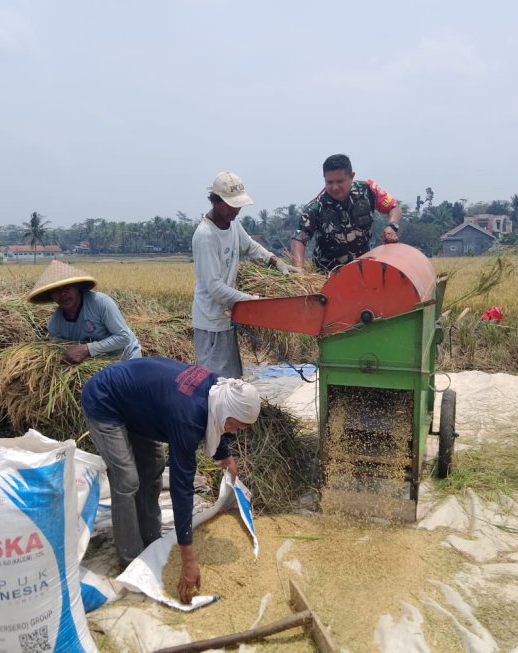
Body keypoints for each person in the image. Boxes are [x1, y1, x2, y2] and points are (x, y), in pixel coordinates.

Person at [81, 356, 261, 603]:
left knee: (153, 466)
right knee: (127, 479)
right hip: (105, 401)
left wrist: (224, 455)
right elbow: (181, 487)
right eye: (237, 427)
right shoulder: (188, 416)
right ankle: (131, 557)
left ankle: (151, 539)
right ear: (228, 410)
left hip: (139, 407)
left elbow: (217, 423)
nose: (235, 432)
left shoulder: (215, 391)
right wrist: (188, 557)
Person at [192, 171, 300, 378]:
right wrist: (251, 301)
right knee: (215, 384)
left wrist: (276, 261)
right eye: (232, 204)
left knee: (232, 379)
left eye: (238, 204)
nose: (237, 209)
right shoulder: (206, 236)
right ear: (215, 201)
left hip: (226, 317)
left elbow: (250, 246)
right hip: (210, 322)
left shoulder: (233, 224)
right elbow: (215, 287)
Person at [291, 153, 403, 272]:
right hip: (327, 274)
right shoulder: (315, 207)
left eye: (340, 181)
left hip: (363, 268)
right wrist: (298, 269)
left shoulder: (368, 191)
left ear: (351, 176)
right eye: (330, 182)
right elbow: (299, 238)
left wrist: (392, 226)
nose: (335, 187)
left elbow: (394, 207)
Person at [27, 259, 142, 364]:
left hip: (126, 357)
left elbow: (123, 337)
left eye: (66, 288)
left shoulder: (101, 303)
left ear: (77, 287)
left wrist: (87, 349)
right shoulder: (55, 324)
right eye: (56, 291)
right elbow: (60, 349)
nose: (62, 295)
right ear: (51, 295)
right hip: (97, 363)